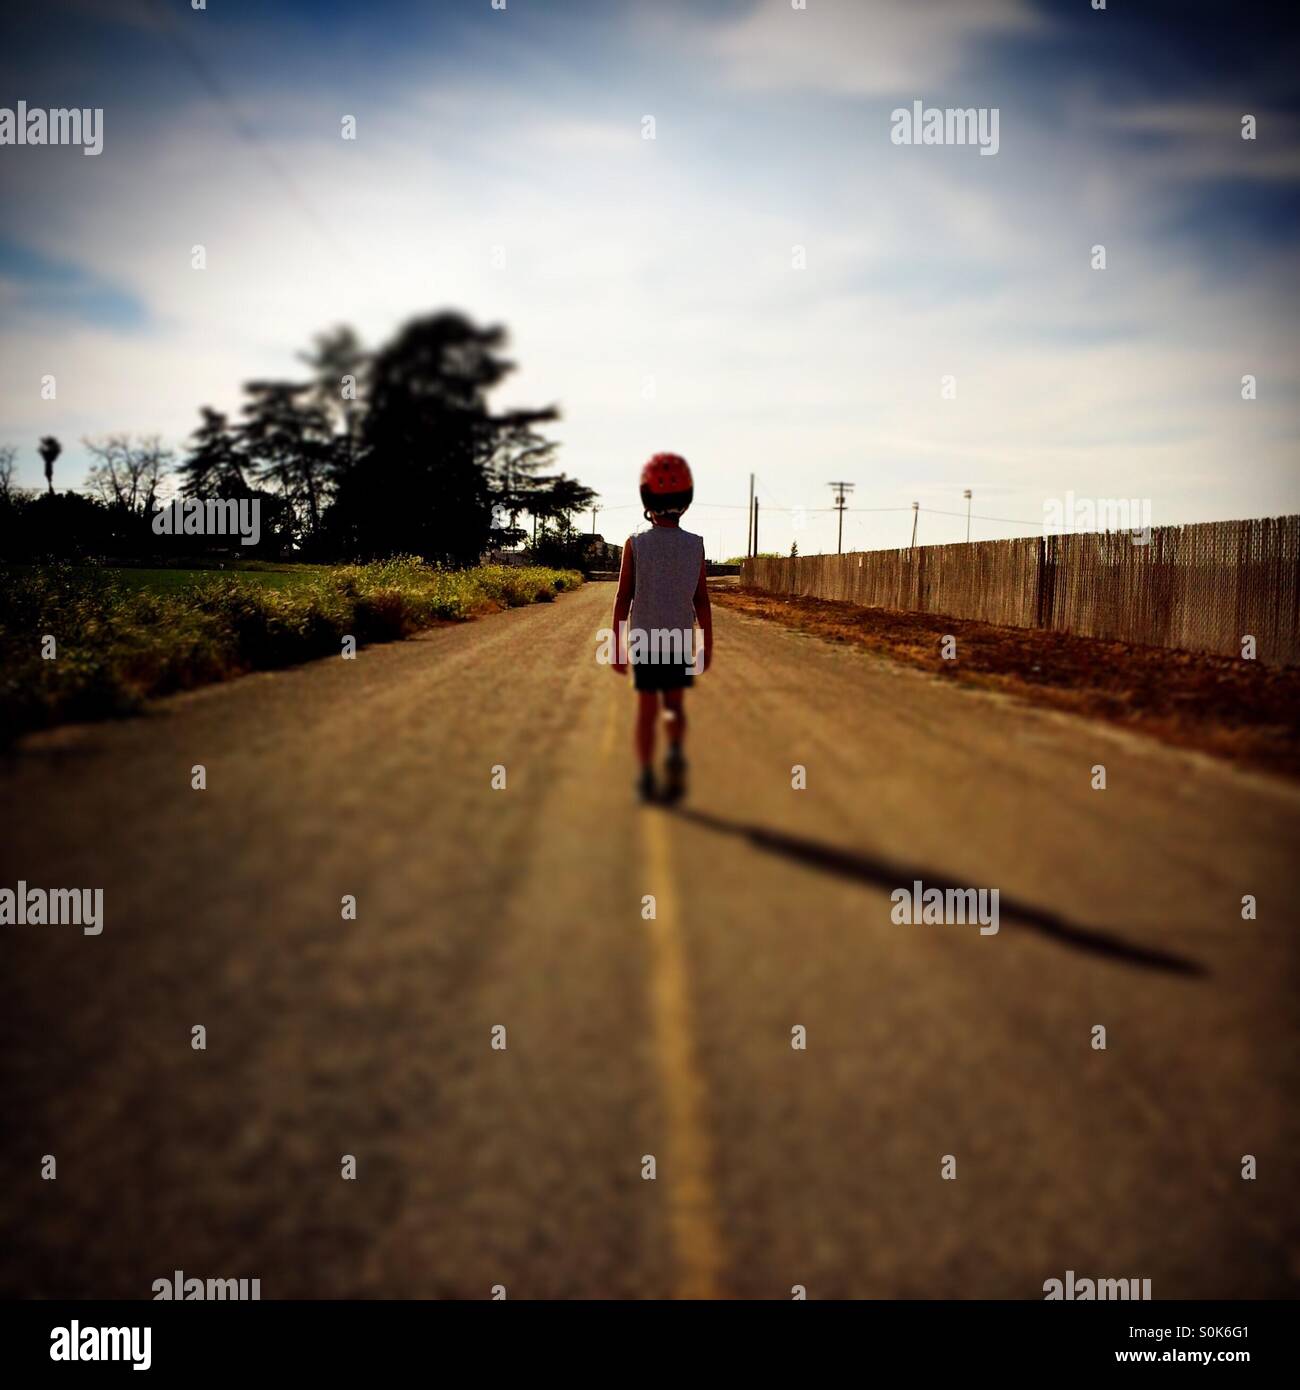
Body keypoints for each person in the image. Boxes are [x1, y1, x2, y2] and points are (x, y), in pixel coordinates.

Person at [611, 453, 711, 803]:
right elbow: (701, 600)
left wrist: (617, 646)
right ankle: (674, 751)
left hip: (646, 639)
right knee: (673, 705)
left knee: (647, 710)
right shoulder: (695, 545)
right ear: (686, 501)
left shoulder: (635, 544)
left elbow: (623, 598)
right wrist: (706, 644)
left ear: (646, 499)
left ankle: (646, 776)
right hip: (679, 638)